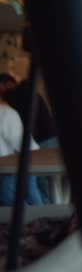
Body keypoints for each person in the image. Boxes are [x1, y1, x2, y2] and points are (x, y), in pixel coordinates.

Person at [0, 74, 42, 205]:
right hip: (14, 163)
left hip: (19, 162)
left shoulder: (5, 113)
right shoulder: (6, 111)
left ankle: (39, 220)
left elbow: (22, 142)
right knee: (30, 195)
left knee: (8, 193)